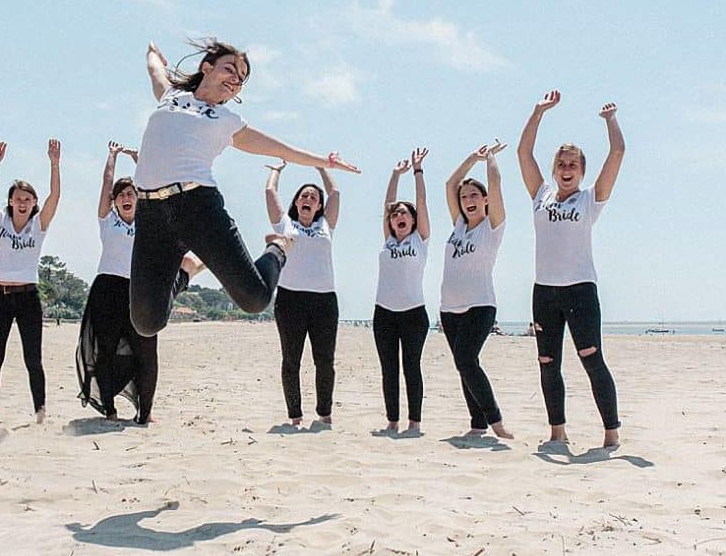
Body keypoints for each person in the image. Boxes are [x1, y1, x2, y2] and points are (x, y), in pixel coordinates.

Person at [131, 39, 360, 338]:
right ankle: (186, 270)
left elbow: (281, 149)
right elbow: (155, 72)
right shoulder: (171, 96)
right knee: (147, 323)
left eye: (241, 79)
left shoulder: (227, 121)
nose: (236, 79)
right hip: (150, 213)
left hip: (197, 208)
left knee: (256, 299)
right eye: (230, 69)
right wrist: (152, 53)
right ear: (206, 68)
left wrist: (325, 162)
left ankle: (277, 248)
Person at [517, 90, 625, 449]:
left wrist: (610, 121)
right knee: (547, 362)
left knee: (591, 358)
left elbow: (618, 153)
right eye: (561, 165)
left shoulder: (590, 199)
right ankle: (557, 432)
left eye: (573, 165)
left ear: (582, 171)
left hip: (580, 291)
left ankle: (611, 433)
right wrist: (537, 112)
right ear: (554, 169)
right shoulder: (540, 196)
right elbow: (523, 153)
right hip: (544, 291)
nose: (566, 170)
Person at [0, 128, 60, 426]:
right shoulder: (0, 222)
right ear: (10, 201)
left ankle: (40, 412)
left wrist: (54, 164)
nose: (22, 202)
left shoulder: (39, 225)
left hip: (28, 298)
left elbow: (55, 196)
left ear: (33, 203)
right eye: (17, 198)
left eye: (28, 198)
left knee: (33, 359)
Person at [76, 141, 163, 424]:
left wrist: (140, 162)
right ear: (114, 202)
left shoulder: (148, 223)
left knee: (146, 353)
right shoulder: (107, 221)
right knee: (106, 350)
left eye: (131, 194)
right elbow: (106, 183)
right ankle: (110, 409)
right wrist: (112, 156)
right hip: (107, 291)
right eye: (121, 195)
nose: (126, 197)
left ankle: (145, 412)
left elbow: (155, 191)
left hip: (139, 292)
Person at [439, 142, 513, 439]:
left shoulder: (491, 227)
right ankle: (477, 424)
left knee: (466, 360)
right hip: (448, 309)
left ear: (485, 201)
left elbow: (495, 184)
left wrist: (490, 159)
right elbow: (449, 183)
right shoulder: (458, 226)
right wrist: (471, 156)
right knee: (463, 365)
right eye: (464, 196)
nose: (468, 199)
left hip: (480, 306)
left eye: (474, 195)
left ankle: (495, 421)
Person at [264, 161, 340, 426]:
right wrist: (276, 170)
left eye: (314, 197)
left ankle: (325, 413)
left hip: (324, 301)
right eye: (304, 196)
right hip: (290, 299)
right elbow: (269, 192)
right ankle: (295, 415)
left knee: (325, 361)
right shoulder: (285, 223)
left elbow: (336, 194)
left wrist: (321, 167)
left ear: (319, 205)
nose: (309, 199)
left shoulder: (326, 225)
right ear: (296, 202)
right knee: (291, 359)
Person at [373, 149, 431, 434]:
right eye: (396, 214)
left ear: (413, 220)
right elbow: (387, 205)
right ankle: (392, 420)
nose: (399, 216)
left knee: (411, 367)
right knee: (389, 369)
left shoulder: (420, 239)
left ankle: (414, 422)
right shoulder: (388, 241)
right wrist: (395, 175)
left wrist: (417, 172)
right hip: (384, 313)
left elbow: (421, 201)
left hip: (413, 314)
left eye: (404, 214)